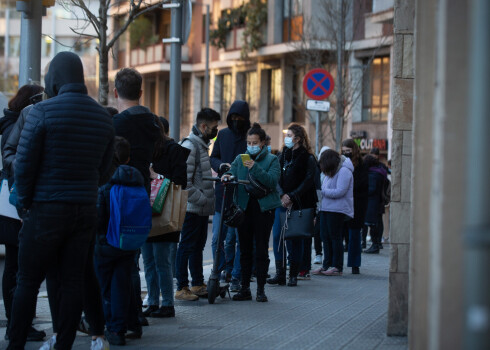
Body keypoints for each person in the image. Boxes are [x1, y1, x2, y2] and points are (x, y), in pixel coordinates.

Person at [7, 51, 114, 350]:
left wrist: (26, 203)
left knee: (27, 281)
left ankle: (15, 344)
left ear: (54, 78)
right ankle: (63, 344)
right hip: (84, 210)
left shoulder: (42, 112)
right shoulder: (102, 117)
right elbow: (105, 170)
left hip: (45, 209)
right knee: (72, 282)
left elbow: (25, 165)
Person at [112, 67, 161, 327]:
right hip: (141, 190)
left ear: (115, 90)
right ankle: (135, 312)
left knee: (116, 255)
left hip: (117, 192)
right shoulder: (152, 123)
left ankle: (124, 314)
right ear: (141, 92)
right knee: (133, 255)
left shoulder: (116, 124)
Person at [0, 84, 46, 343]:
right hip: (16, 202)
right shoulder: (16, 125)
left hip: (11, 201)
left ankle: (17, 322)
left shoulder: (9, 122)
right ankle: (18, 323)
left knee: (16, 267)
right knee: (18, 267)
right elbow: (15, 162)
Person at [94, 136, 147, 346]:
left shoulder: (106, 181)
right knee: (123, 285)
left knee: (106, 288)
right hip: (130, 241)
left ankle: (115, 329)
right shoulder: (136, 179)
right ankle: (132, 323)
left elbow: (98, 217)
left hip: (106, 243)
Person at [223, 123, 281, 302]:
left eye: (255, 142)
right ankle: (245, 288)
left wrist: (254, 167)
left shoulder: (272, 160)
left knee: (261, 249)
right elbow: (232, 172)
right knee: (245, 249)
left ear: (263, 143)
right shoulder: (241, 158)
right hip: (244, 209)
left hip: (264, 210)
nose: (251, 145)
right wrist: (227, 176)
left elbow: (271, 181)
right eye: (249, 142)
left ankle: (261, 289)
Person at [142, 117, 189, 318]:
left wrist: (156, 176)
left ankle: (167, 304)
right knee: (149, 261)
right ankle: (153, 301)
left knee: (161, 261)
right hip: (146, 211)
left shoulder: (173, 150)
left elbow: (181, 181)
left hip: (165, 212)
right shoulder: (144, 150)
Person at [175, 108, 220, 301]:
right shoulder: (191, 146)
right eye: (214, 127)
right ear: (203, 126)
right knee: (186, 246)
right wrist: (202, 199)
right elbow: (184, 182)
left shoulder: (201, 145)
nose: (215, 130)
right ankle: (182, 287)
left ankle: (197, 283)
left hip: (201, 208)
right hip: (193, 207)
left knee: (197, 246)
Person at [267, 123, 317, 286]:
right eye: (286, 135)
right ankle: (280, 273)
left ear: (298, 139)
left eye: (289, 136)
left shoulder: (308, 158)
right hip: (281, 202)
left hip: (299, 203)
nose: (286, 138)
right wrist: (282, 194)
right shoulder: (282, 155)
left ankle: (294, 274)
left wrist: (292, 196)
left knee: (295, 238)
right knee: (278, 238)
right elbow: (275, 176)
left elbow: (309, 181)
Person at [210, 100, 250, 293]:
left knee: (234, 238)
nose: (236, 121)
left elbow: (252, 162)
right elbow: (213, 156)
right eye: (233, 117)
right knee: (217, 237)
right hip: (223, 194)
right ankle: (218, 273)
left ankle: (235, 274)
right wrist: (221, 167)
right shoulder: (223, 134)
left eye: (239, 118)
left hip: (240, 194)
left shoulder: (249, 138)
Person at [313, 149, 354, 276]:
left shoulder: (344, 171)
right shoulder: (331, 172)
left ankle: (337, 266)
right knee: (325, 236)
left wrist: (323, 192)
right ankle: (326, 265)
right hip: (326, 208)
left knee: (335, 237)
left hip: (337, 210)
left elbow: (340, 191)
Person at [341, 139, 369, 274]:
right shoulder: (340, 163)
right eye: (344, 151)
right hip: (343, 202)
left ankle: (354, 264)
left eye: (348, 151)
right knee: (340, 234)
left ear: (354, 150)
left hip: (357, 204)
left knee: (354, 235)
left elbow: (363, 184)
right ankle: (336, 264)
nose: (346, 153)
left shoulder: (362, 164)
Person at [363, 154, 388, 254]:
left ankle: (375, 245)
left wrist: (363, 190)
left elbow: (372, 189)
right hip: (378, 202)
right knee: (377, 223)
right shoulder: (379, 172)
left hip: (372, 203)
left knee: (373, 225)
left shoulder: (373, 174)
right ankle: (376, 244)